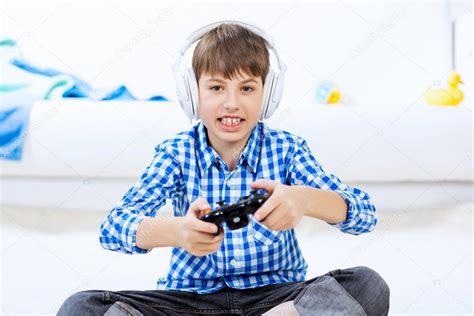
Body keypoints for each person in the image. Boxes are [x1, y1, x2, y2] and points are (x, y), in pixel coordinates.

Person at [58, 20, 390, 316]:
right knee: (81, 308)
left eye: (247, 88)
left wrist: (305, 200)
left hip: (277, 301)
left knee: (368, 286)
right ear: (192, 93)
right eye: (216, 87)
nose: (231, 102)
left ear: (268, 94)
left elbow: (365, 214)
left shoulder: (287, 149)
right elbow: (113, 228)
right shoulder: (176, 152)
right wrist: (176, 231)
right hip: (189, 302)